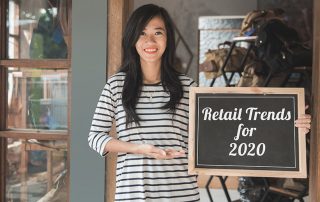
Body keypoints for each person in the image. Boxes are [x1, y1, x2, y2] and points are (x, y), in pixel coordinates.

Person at [88, 4, 311, 202]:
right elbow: (95, 137)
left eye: (158, 32)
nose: (150, 41)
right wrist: (139, 149)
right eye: (142, 33)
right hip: (133, 195)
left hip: (182, 193)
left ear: (168, 38)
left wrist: (287, 125)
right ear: (132, 39)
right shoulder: (117, 85)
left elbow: (228, 132)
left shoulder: (188, 87)